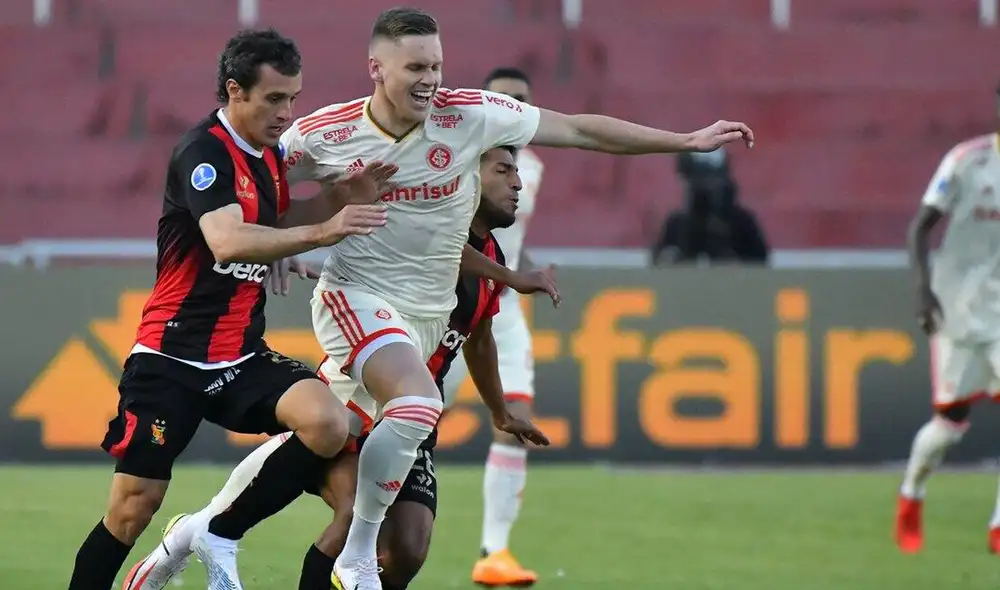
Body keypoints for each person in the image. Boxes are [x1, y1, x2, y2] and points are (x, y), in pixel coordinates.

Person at [276, 8, 754, 590]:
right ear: (375, 68)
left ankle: (199, 535)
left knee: (405, 539)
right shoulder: (326, 132)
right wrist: (282, 245)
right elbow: (256, 187)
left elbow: (580, 129)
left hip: (439, 316)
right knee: (411, 410)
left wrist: (685, 141)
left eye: (436, 65)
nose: (430, 79)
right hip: (359, 297)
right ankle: (346, 553)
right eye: (415, 67)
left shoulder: (470, 115)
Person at [120, 147, 550, 590]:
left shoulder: (492, 263)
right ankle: (197, 533)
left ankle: (193, 532)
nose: (518, 182)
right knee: (353, 518)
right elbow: (438, 248)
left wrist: (500, 412)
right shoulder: (414, 223)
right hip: (354, 400)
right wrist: (512, 275)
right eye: (503, 170)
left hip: (413, 419)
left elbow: (479, 340)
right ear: (467, 179)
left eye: (517, 170)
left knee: (407, 549)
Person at [67, 29, 395, 590]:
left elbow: (275, 227)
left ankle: (218, 529)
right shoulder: (204, 152)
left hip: (240, 354)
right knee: (131, 510)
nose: (286, 112)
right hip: (171, 358)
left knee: (327, 422)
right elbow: (227, 239)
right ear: (234, 91)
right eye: (274, 99)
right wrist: (325, 231)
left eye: (293, 98)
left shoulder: (268, 155)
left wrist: (342, 196)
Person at [438, 66, 545, 587]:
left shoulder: (533, 169)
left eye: (521, 101)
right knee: (413, 417)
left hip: (500, 306)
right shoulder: (454, 160)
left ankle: (495, 552)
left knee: (517, 414)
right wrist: (513, 275)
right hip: (453, 305)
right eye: (503, 100)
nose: (512, 110)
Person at [896, 97, 1000, 555]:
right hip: (957, 310)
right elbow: (920, 227)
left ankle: (999, 527)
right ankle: (912, 492)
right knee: (950, 425)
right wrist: (922, 289)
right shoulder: (967, 161)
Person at [651, 149, 769, 265]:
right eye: (700, 178)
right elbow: (659, 264)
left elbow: (760, 266)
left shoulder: (742, 223)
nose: (707, 186)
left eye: (713, 178)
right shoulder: (676, 225)